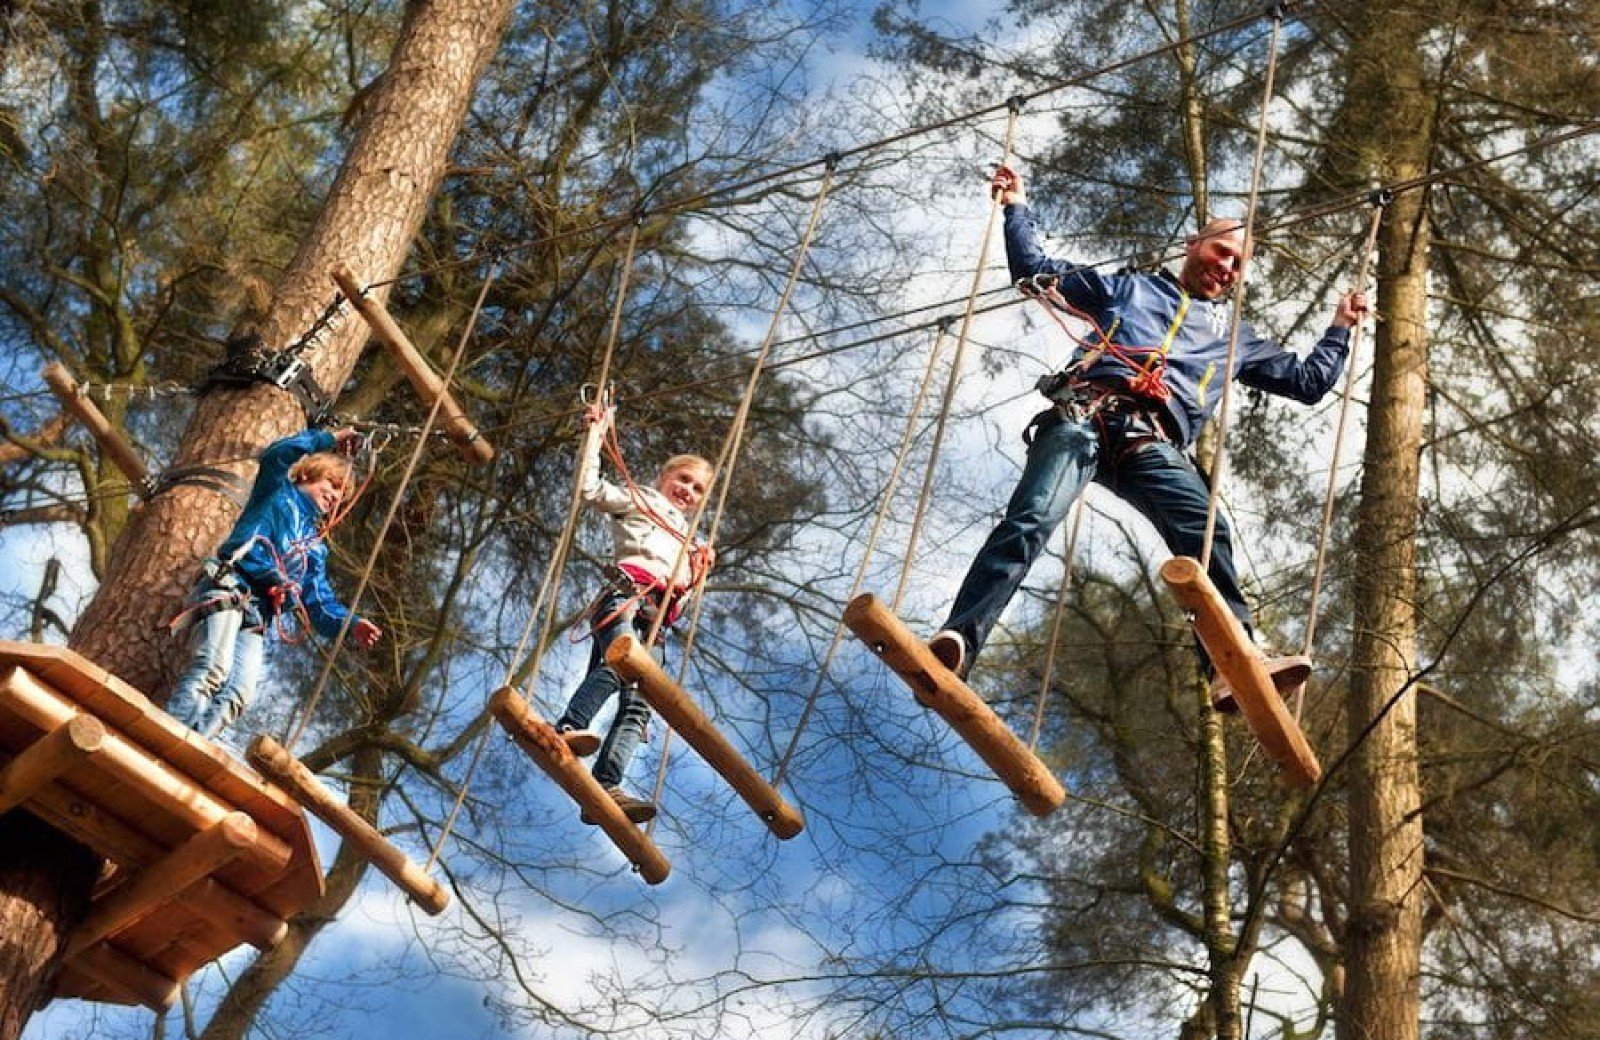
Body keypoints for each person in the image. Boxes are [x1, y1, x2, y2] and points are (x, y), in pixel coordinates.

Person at [928, 165, 1367, 707]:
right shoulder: (1124, 288)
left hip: (1150, 443)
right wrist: (1018, 206)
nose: (1227, 268)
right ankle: (960, 640)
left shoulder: (1234, 339)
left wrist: (1339, 329)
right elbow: (1032, 270)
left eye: (1237, 265)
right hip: (1083, 417)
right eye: (1221, 252)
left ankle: (1231, 665)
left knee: (1206, 533)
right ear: (1193, 244)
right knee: (1031, 518)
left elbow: (1306, 382)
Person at [555, 403, 714, 825]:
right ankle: (568, 728)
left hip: (656, 618)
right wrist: (594, 436)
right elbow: (588, 490)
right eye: (683, 479)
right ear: (664, 477)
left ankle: (607, 786)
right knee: (621, 667)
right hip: (626, 595)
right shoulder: (640, 499)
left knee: (640, 704)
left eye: (698, 489)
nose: (688, 491)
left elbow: (681, 601)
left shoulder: (692, 541)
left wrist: (700, 574)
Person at [167, 428, 382, 738]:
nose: (335, 496)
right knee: (214, 667)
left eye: (341, 494)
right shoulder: (276, 493)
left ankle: (192, 746)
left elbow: (319, 605)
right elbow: (276, 455)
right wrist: (328, 440)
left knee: (238, 693)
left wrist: (351, 623)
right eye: (331, 484)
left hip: (258, 617)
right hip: (231, 586)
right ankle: (170, 734)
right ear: (307, 475)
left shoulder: (314, 548)